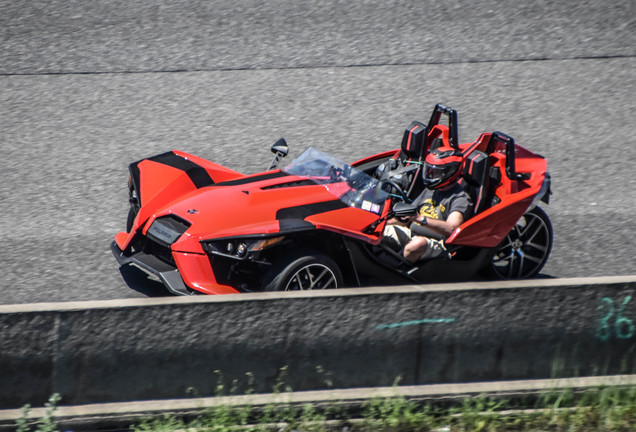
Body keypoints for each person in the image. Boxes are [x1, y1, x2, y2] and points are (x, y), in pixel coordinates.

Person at [383, 146, 474, 263]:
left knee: (417, 244)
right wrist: (382, 223)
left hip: (438, 243)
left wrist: (420, 219)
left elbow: (451, 228)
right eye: (429, 171)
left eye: (435, 172)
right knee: (377, 231)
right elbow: (408, 217)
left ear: (449, 172)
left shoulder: (460, 198)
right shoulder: (430, 190)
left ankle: (398, 273)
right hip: (411, 233)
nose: (431, 175)